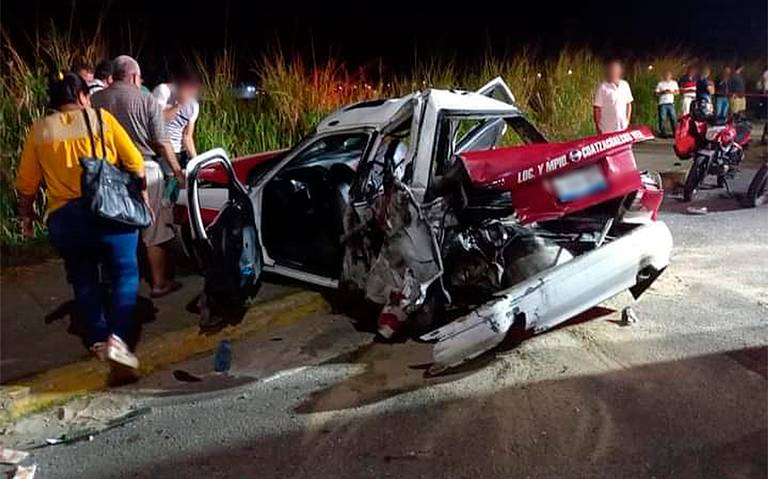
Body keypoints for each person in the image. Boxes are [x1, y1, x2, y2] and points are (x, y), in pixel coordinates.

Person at [15, 72, 146, 368]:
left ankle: (99, 340)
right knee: (125, 272)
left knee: (83, 277)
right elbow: (135, 163)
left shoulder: (40, 130)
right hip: (110, 211)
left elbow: (26, 185)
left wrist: (25, 216)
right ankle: (118, 339)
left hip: (66, 217)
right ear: (83, 97)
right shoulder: (101, 119)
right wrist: (142, 196)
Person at [92, 55, 184, 298]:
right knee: (154, 229)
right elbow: (162, 141)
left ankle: (114, 282)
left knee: (115, 225)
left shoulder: (95, 99)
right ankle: (158, 283)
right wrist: (176, 170)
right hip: (145, 169)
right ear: (133, 76)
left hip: (108, 171)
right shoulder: (146, 100)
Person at [151, 67, 202, 167]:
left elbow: (187, 136)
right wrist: (179, 105)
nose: (191, 92)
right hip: (160, 150)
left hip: (177, 152)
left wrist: (197, 161)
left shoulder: (194, 106)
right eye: (189, 88)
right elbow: (158, 120)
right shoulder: (163, 91)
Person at [593, 59, 633, 134]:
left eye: (616, 70)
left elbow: (629, 104)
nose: (614, 72)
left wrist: (627, 121)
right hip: (607, 130)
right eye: (612, 70)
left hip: (622, 129)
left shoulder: (625, 85)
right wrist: (598, 127)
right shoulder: (603, 87)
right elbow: (597, 108)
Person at [655, 71, 679, 137]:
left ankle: (675, 133)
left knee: (673, 118)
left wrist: (671, 92)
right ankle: (663, 133)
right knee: (662, 118)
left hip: (671, 103)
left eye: (668, 75)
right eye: (666, 75)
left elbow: (677, 92)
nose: (667, 76)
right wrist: (663, 92)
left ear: (671, 76)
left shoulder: (674, 83)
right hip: (662, 103)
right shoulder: (660, 83)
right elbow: (656, 93)